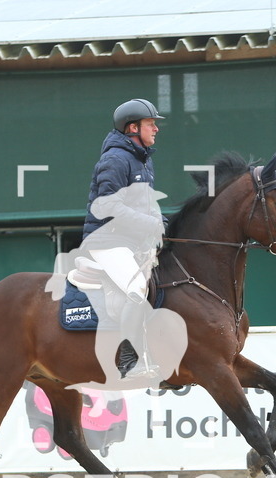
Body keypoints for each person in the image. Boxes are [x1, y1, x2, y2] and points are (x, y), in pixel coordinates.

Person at [77, 98, 166, 382]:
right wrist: (149, 223)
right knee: (136, 287)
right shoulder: (115, 159)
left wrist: (161, 223)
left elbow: (144, 205)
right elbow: (107, 206)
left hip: (131, 242)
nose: (156, 129)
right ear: (132, 128)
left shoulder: (143, 160)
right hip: (107, 242)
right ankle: (130, 360)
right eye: (151, 123)